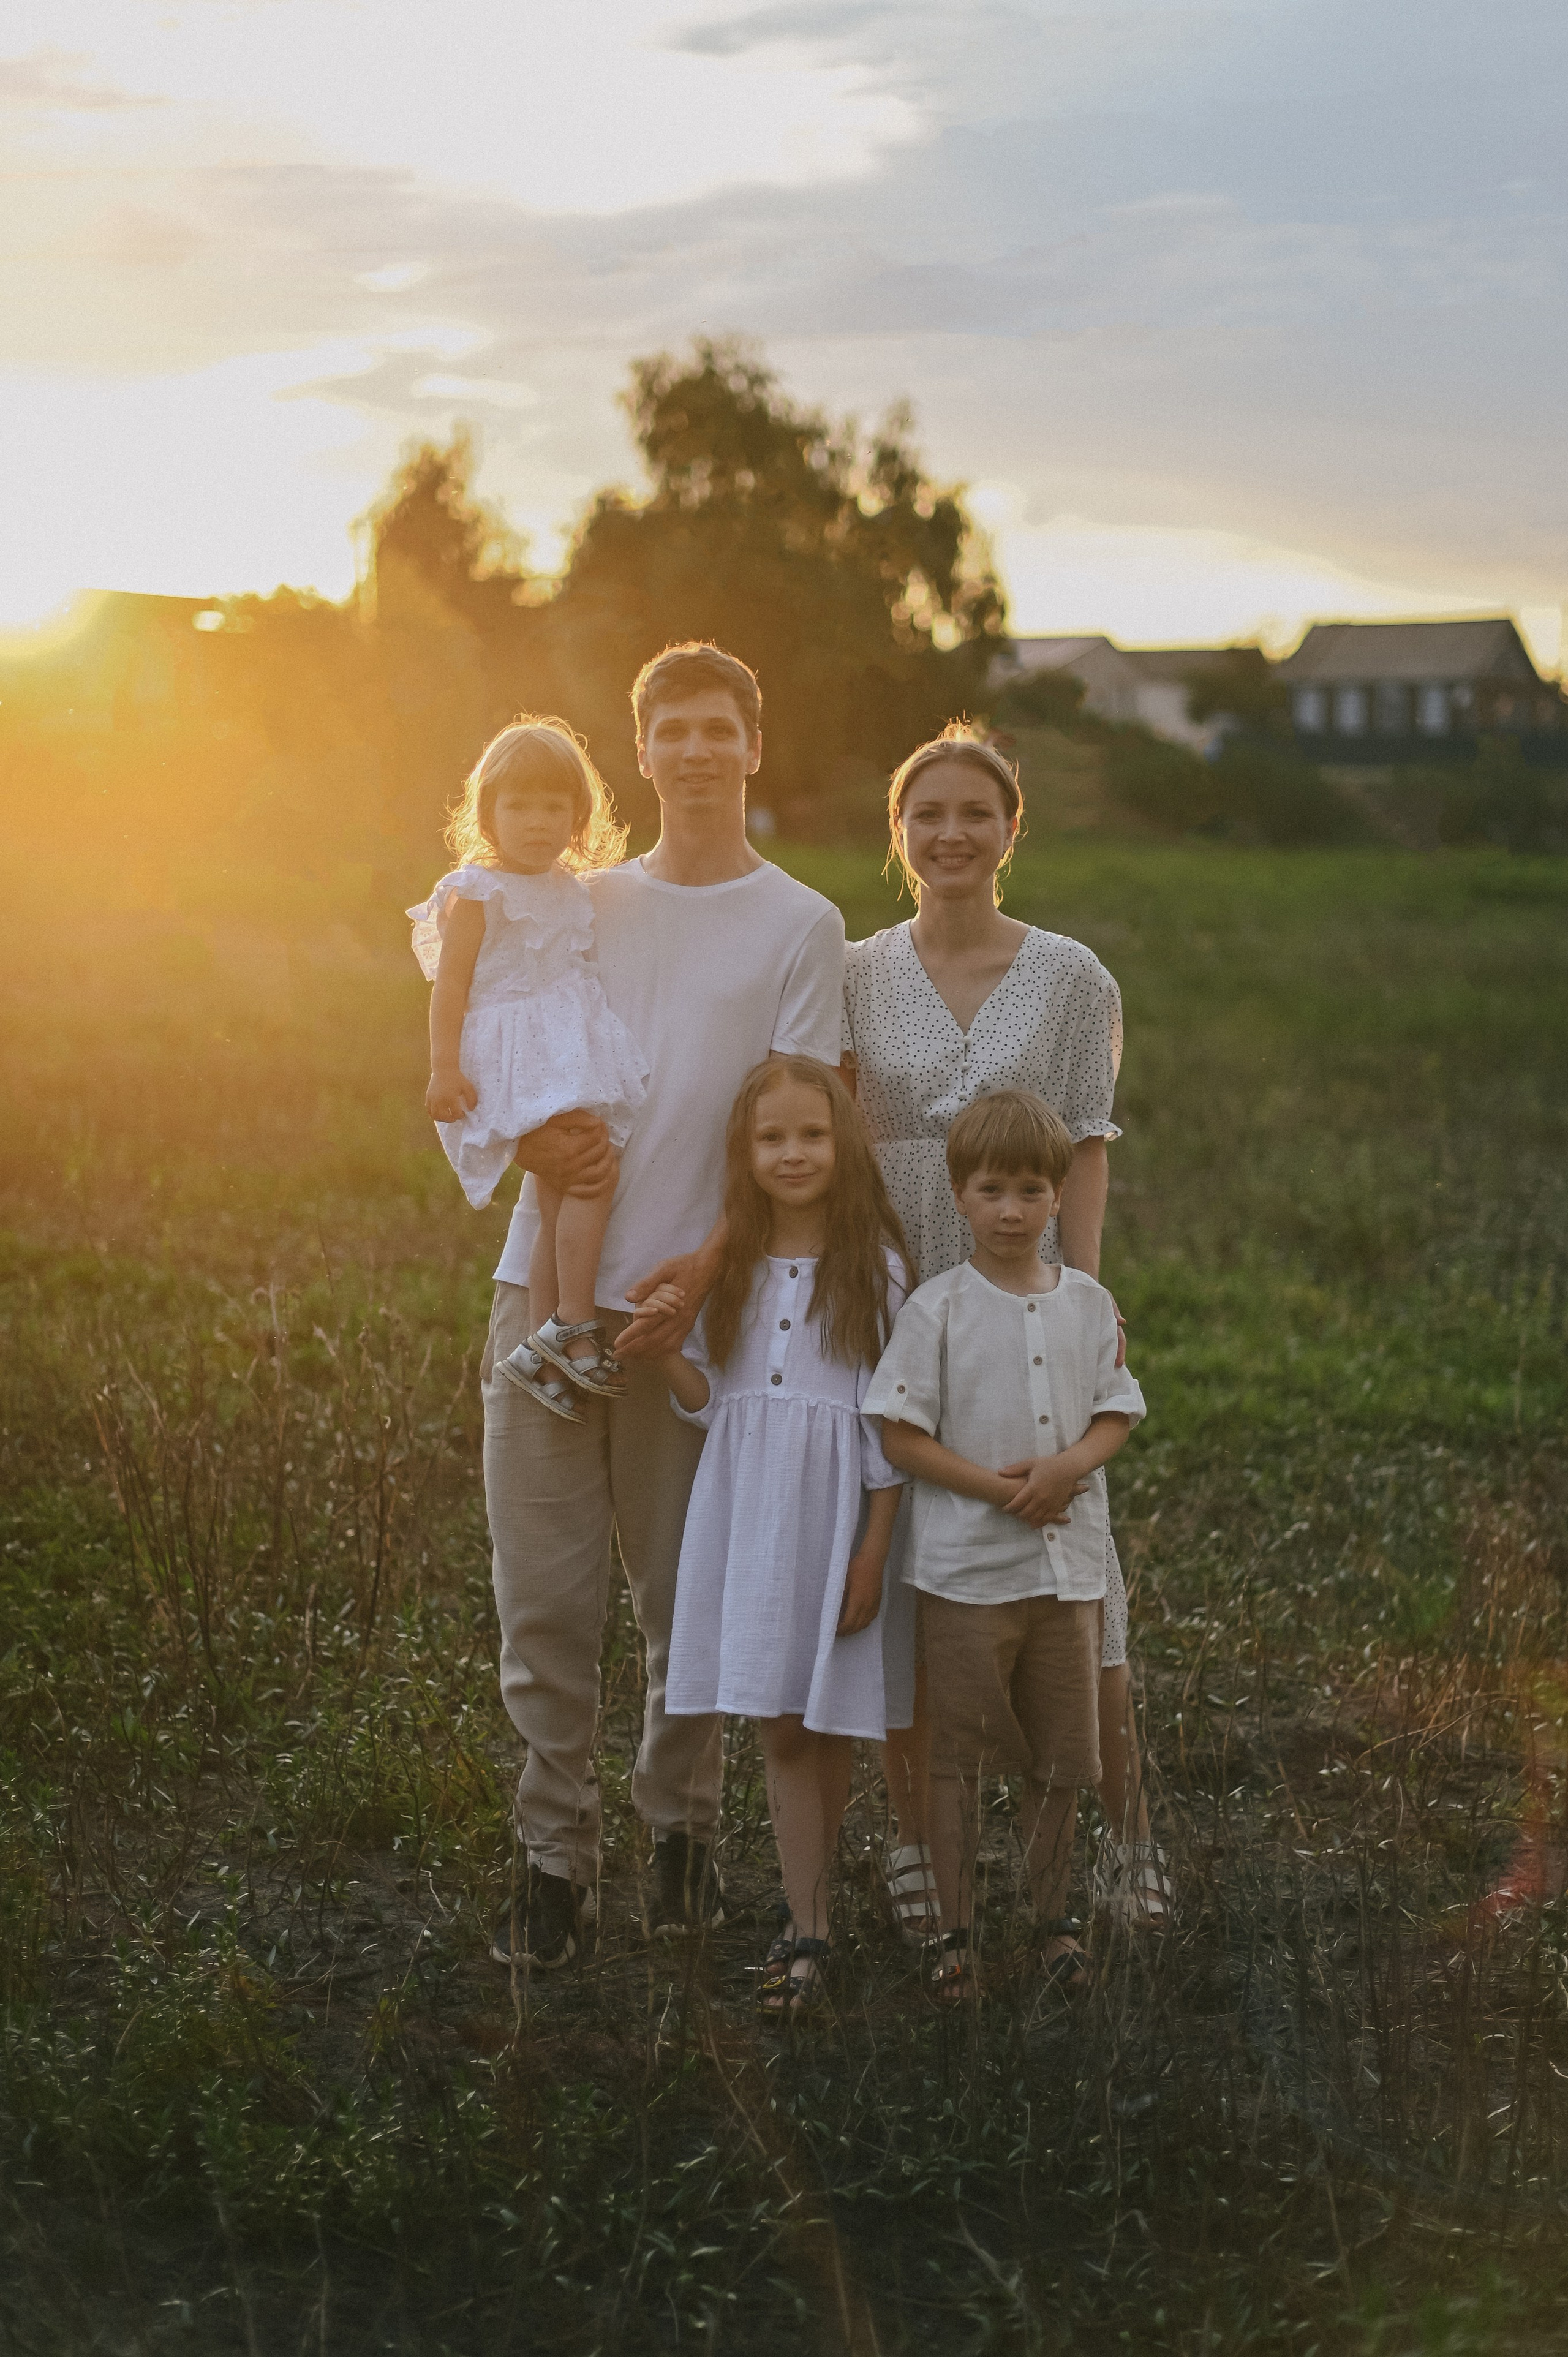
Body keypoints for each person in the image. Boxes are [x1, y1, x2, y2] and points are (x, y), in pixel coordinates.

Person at [480, 643, 845, 1971]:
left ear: (754, 743)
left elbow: (802, 1127)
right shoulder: (577, 902)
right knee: (544, 1600)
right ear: (638, 753)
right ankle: (551, 1864)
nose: (693, 751)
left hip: (698, 1315)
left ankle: (680, 1839)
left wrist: (698, 1270)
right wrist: (522, 1139)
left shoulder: (798, 924)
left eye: (717, 729)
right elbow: (493, 1033)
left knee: (680, 1601)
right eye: (669, 731)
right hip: (546, 1296)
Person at [842, 723, 1167, 1936]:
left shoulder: (1074, 978)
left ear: (1010, 828)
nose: (950, 834)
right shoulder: (857, 969)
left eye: (974, 812)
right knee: (904, 1576)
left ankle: (1126, 1842)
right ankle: (923, 1853)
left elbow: (1083, 1143)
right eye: (926, 814)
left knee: (1073, 1569)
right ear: (898, 833)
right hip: (894, 1293)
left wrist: (1079, 1292)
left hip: (1025, 1292)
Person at [641, 1058, 911, 2017]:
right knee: (779, 1722)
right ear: (744, 1155)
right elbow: (715, 1403)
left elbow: (890, 1428)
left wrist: (873, 1549)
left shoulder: (875, 1268)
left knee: (824, 1712)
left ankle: (836, 1912)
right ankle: (809, 1929)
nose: (792, 1154)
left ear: (842, 1148)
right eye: (771, 1139)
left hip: (837, 1513)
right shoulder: (733, 1271)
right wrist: (667, 1351)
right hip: (749, 1508)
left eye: (811, 1136)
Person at [865, 1090, 1146, 2001]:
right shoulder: (938, 1309)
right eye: (992, 1190)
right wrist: (999, 1491)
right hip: (965, 1576)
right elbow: (899, 1436)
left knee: (1061, 1758)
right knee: (955, 1758)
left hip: (1063, 1577)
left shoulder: (1087, 1303)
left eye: (1032, 1190)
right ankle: (953, 1931)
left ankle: (1052, 1920)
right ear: (959, 1196)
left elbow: (1119, 1412)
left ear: (1060, 1197)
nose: (1013, 1210)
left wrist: (1065, 1469)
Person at [409, 718, 649, 1412]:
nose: (537, 822)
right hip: (516, 1046)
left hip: (562, 1037)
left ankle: (541, 1344)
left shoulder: (572, 887)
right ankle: (574, 1323)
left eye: (553, 806)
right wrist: (443, 1068)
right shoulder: (478, 889)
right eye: (517, 805)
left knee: (558, 1190)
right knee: (590, 1170)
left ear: (578, 814)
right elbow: (450, 986)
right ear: (488, 813)